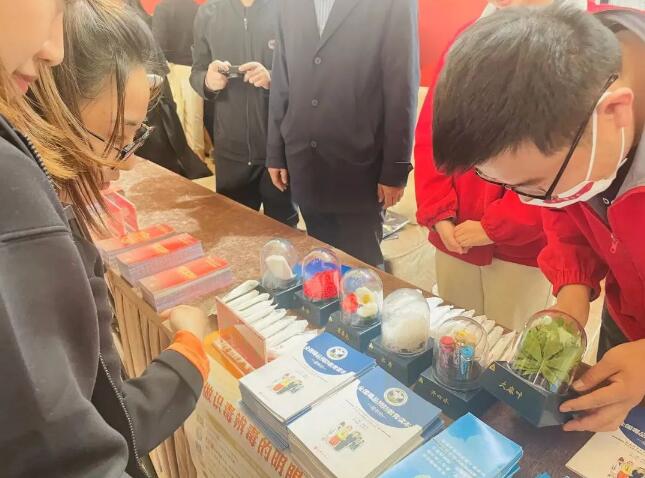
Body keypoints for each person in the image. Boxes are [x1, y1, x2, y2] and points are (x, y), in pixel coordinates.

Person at [0, 1, 209, 476]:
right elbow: (94, 435)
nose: (126, 161)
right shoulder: (15, 197)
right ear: (54, 108)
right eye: (119, 135)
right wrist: (188, 357)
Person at [432, 3, 645, 432]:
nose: (531, 201)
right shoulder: (574, 114)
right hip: (628, 317)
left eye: (536, 185)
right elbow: (566, 213)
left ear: (615, 112)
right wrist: (573, 289)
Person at [414, 0, 585, 330]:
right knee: (453, 335)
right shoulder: (467, 37)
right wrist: (439, 211)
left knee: (508, 342)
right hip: (454, 231)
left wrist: (498, 226)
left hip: (523, 246)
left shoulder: (571, 47)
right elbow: (432, 129)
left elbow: (569, 162)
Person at [267, 0, 419, 266]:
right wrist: (275, 151)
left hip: (361, 167)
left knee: (362, 272)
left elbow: (401, 86)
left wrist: (395, 170)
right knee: (319, 267)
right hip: (304, 159)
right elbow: (282, 75)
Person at [190, 0, 298, 227]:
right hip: (231, 152)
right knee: (232, 231)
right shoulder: (209, 13)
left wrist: (273, 77)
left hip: (278, 152)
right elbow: (197, 72)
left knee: (283, 232)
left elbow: (306, 71)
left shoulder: (287, 9)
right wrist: (207, 81)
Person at [152, 0, 206, 160]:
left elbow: (157, 42)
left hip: (171, 69)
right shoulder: (198, 9)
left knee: (177, 118)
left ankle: (181, 163)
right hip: (195, 68)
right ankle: (198, 161)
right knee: (195, 119)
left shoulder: (163, 8)